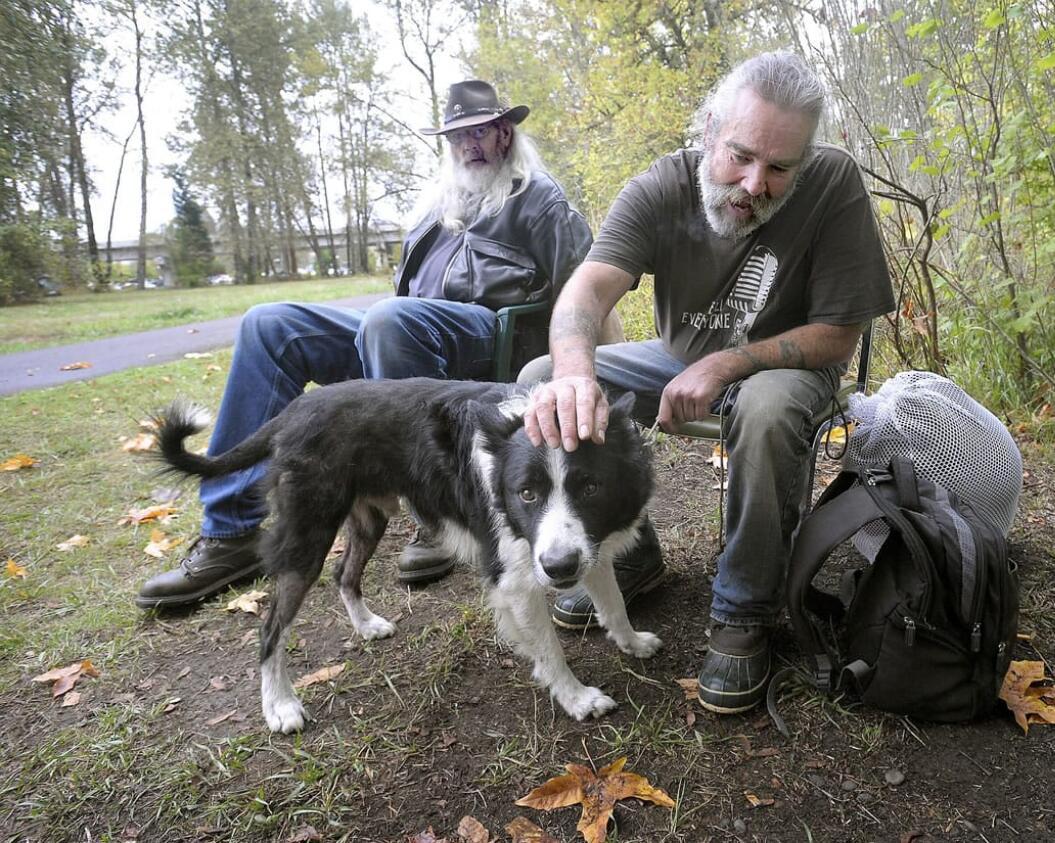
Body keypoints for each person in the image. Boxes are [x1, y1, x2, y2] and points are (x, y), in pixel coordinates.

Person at [518, 52, 895, 714]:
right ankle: (623, 554)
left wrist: (729, 362)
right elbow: (588, 290)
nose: (755, 184)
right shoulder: (660, 188)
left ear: (805, 160)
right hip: (677, 357)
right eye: (740, 156)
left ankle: (744, 609)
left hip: (789, 365)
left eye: (780, 168)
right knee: (542, 377)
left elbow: (840, 332)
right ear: (707, 133)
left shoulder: (833, 183)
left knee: (768, 409)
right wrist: (576, 373)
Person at [136, 80, 596, 610]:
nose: (468, 144)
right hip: (400, 335)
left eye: (480, 131)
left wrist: (586, 377)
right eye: (456, 135)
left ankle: (436, 511)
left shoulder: (537, 197)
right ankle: (231, 531)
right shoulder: (434, 206)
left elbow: (583, 294)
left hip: (487, 343)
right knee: (270, 323)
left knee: (389, 319)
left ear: (505, 132)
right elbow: (401, 296)